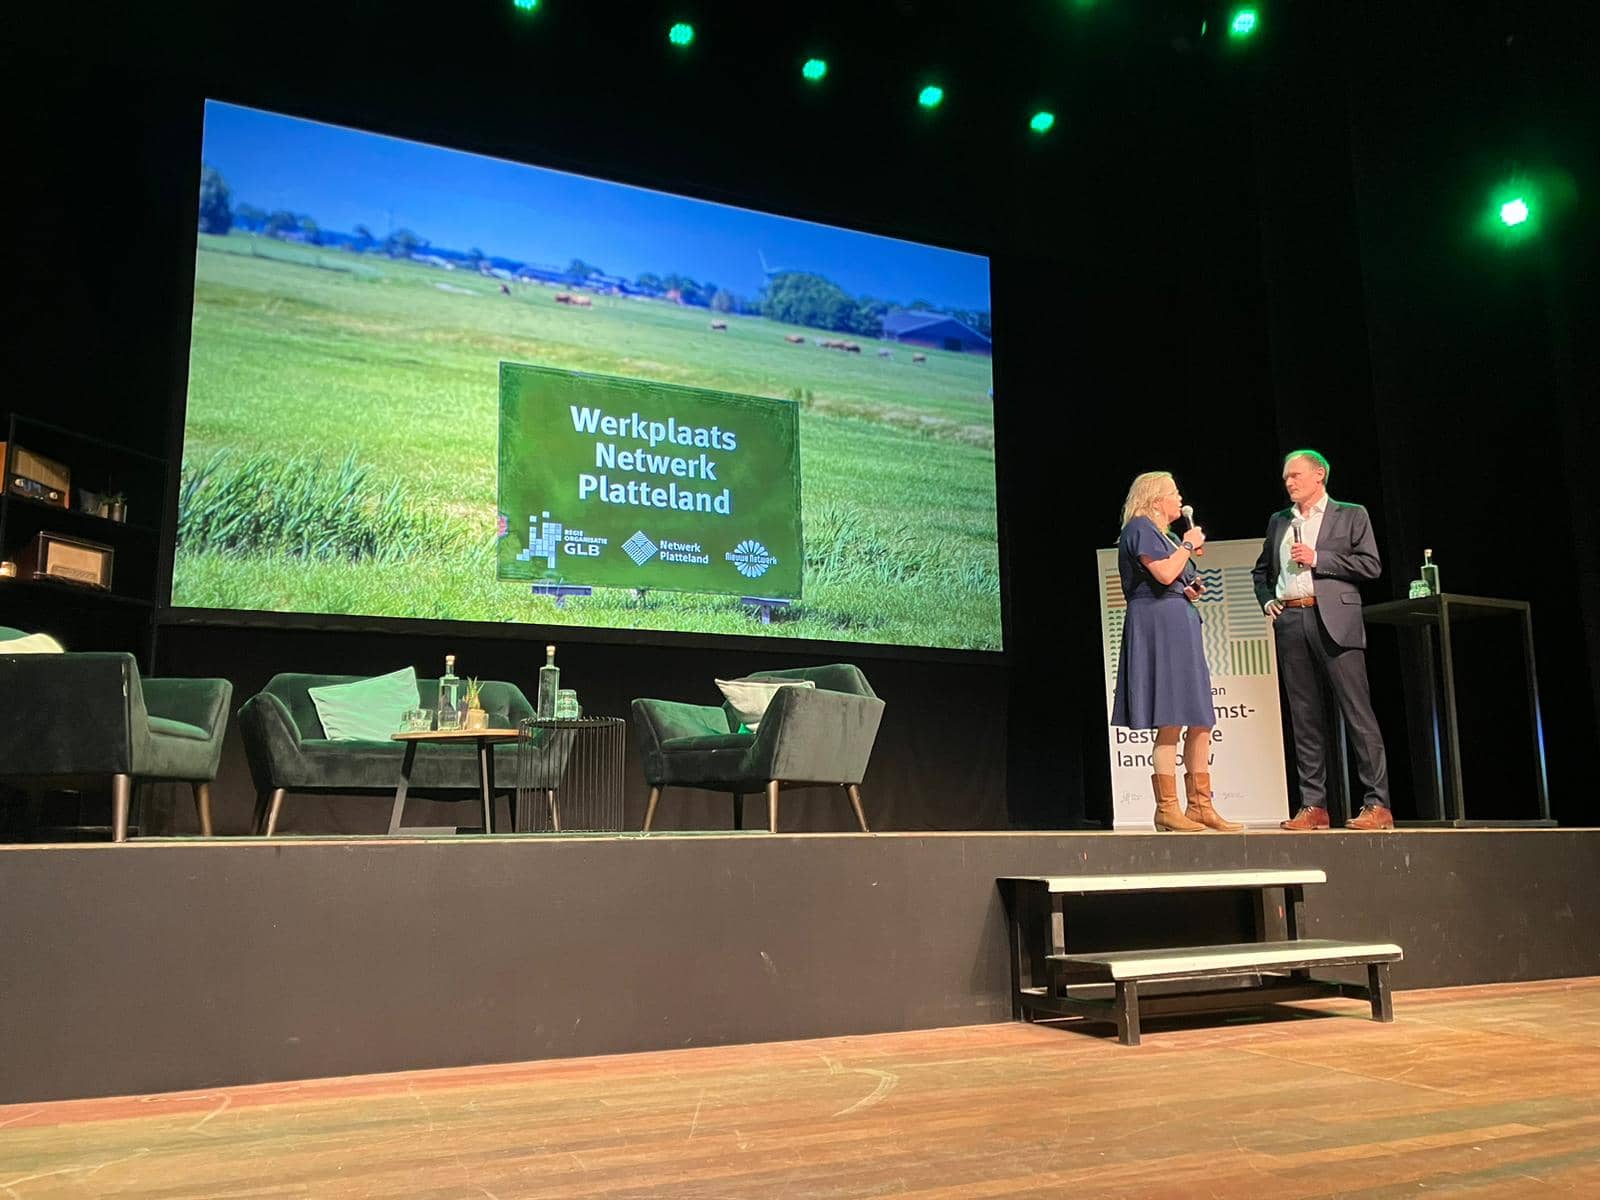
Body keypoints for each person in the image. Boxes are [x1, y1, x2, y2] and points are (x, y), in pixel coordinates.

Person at [1251, 449, 1393, 830]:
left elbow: (1371, 565)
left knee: (1357, 712)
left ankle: (1378, 804)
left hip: (1335, 620)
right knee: (1304, 717)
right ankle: (1314, 805)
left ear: (1319, 475)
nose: (1289, 482)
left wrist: (1318, 558)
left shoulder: (1351, 514)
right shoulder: (1279, 521)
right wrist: (1267, 601)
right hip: (1292, 620)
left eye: (1295, 475)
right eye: (1286, 477)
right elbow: (1261, 572)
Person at [1110, 471, 1241, 832]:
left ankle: (1200, 805)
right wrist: (1187, 546)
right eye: (1174, 493)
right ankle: (1167, 809)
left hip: (1180, 622)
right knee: (1170, 718)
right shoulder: (1139, 528)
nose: (1180, 499)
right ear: (1156, 500)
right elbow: (1165, 575)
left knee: (1200, 718)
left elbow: (1176, 580)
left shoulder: (1163, 536)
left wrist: (1191, 588)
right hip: (1158, 626)